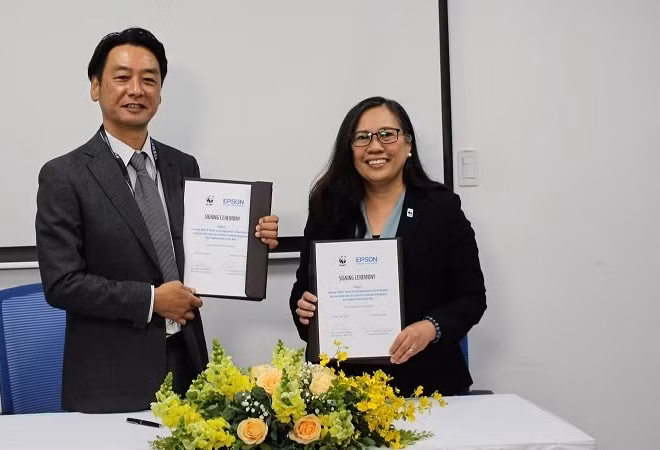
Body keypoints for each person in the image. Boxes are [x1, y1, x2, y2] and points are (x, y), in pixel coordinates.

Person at [35, 27, 279, 413]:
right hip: (111, 377)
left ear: (160, 94)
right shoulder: (64, 175)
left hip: (188, 361)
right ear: (95, 87)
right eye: (122, 77)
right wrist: (152, 300)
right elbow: (62, 284)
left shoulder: (183, 165)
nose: (136, 89)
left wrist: (250, 238)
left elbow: (200, 247)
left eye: (149, 79)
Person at [290, 96, 486, 396]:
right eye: (362, 137)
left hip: (428, 384)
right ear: (349, 149)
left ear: (408, 145)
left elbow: (472, 297)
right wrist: (304, 309)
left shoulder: (441, 207)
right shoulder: (327, 209)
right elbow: (302, 294)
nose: (375, 146)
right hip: (343, 390)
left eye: (387, 134)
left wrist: (429, 328)